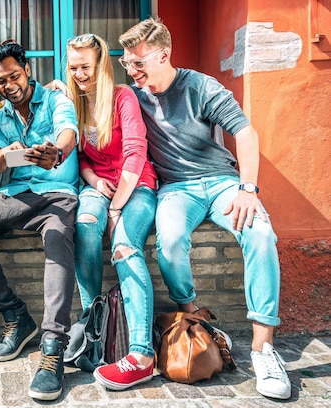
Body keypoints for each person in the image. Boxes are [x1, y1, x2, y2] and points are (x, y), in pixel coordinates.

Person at [117, 18, 291, 399]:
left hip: (222, 182)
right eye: (126, 64)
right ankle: (194, 314)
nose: (131, 71)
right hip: (176, 189)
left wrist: (247, 188)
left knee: (261, 233)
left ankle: (264, 349)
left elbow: (244, 131)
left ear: (164, 54)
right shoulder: (133, 96)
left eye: (138, 63)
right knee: (171, 242)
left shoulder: (200, 86)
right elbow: (95, 95)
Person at [0, 40, 79, 401]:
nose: (9, 85)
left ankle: (53, 345)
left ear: (26, 70)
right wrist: (4, 154)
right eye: (0, 80)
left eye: (13, 76)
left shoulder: (56, 99)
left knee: (58, 236)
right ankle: (15, 315)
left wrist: (56, 153)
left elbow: (67, 132)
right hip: (13, 196)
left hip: (56, 194)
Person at [62, 33, 158, 391]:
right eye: (73, 68)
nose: (79, 74)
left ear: (100, 65)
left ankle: (141, 355)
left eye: (85, 67)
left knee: (124, 247)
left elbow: (135, 153)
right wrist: (92, 181)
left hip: (137, 187)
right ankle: (93, 320)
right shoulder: (76, 102)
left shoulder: (123, 97)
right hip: (98, 187)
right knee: (85, 224)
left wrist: (117, 208)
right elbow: (83, 157)